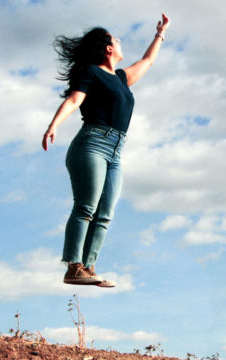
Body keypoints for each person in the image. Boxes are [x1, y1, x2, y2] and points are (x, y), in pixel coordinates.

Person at [43, 14, 170, 287]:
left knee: (105, 213)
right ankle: (73, 266)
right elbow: (75, 99)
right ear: (108, 48)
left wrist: (160, 34)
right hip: (92, 144)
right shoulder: (91, 73)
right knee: (86, 207)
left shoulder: (121, 79)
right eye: (116, 39)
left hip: (116, 152)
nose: (120, 41)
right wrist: (53, 124)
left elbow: (147, 62)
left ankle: (88, 268)